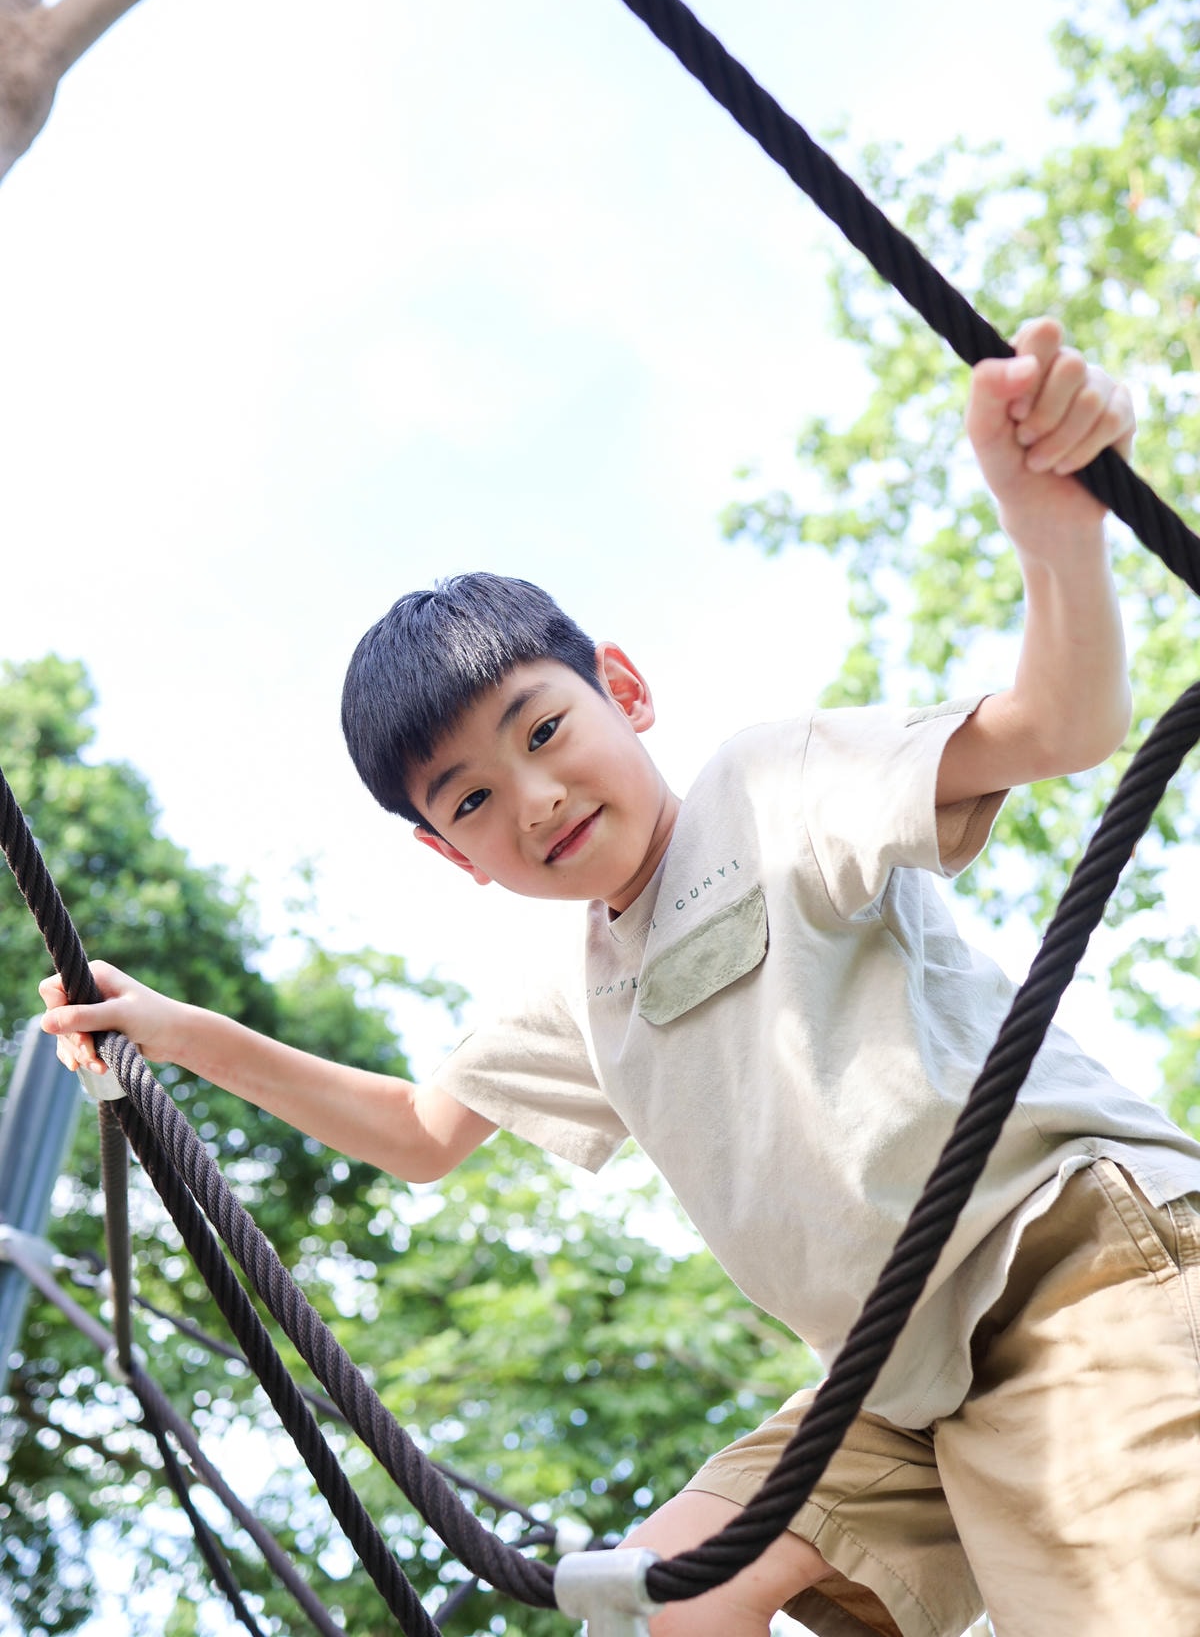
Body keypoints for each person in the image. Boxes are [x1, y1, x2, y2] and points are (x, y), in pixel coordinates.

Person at [43, 319, 1200, 1637]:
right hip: (896, 1385)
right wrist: (180, 1035)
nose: (534, 797)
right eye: (473, 799)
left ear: (625, 689)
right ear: (451, 855)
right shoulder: (576, 982)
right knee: (662, 1607)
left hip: (1068, 1263)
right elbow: (417, 1134)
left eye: (544, 729)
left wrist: (1053, 535)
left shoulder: (770, 789)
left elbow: (1059, 727)